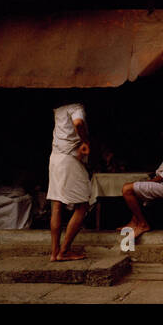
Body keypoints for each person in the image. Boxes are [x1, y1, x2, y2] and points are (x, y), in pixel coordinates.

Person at [120, 123, 163, 239]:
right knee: (136, 186)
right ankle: (134, 222)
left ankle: (143, 224)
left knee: (127, 189)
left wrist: (151, 181)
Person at [47, 101, 92, 262]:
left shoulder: (58, 108)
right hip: (68, 159)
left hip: (55, 158)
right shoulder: (77, 107)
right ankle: (64, 251)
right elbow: (78, 123)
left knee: (57, 205)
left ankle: (54, 252)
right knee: (82, 205)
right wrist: (85, 141)